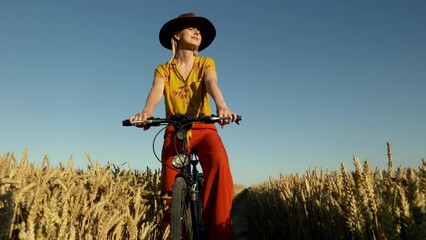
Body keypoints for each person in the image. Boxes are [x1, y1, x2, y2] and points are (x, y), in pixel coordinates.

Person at [129, 13, 237, 239]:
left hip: (204, 127)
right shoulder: (163, 69)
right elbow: (157, 90)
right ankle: (172, 234)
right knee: (170, 186)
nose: (198, 32)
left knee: (219, 166)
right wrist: (146, 112)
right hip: (176, 127)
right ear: (177, 35)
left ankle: (219, 233)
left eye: (199, 31)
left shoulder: (206, 63)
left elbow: (211, 83)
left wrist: (222, 106)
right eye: (192, 29)